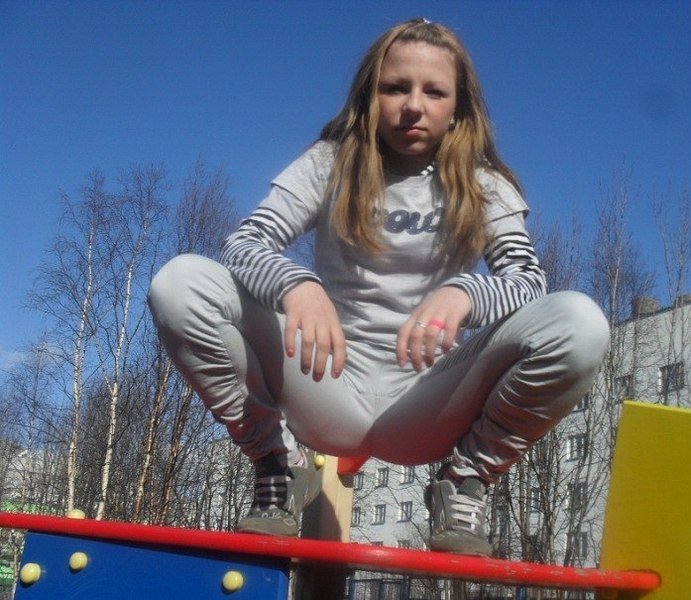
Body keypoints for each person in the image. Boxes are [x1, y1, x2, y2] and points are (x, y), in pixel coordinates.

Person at [148, 18, 609, 557]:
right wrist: (296, 285)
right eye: (396, 88)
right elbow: (245, 243)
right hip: (325, 380)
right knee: (180, 283)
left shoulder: (483, 183)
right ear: (371, 95)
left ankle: (464, 482)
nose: (413, 106)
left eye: (434, 92)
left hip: (426, 400)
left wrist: (466, 293)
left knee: (579, 323)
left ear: (458, 107)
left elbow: (527, 280)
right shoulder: (331, 162)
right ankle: (277, 463)